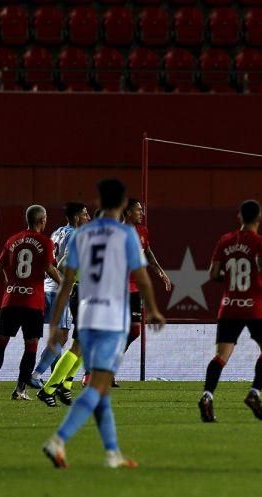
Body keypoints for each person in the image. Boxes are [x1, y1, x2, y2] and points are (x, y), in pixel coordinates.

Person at [42, 179, 165, 469]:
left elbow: (68, 280)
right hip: (112, 316)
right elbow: (142, 276)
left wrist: (53, 327)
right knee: (97, 386)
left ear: (98, 201)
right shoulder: (126, 234)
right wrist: (154, 310)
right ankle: (58, 440)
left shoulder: (82, 235)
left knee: (101, 387)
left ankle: (112, 453)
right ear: (123, 204)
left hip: (86, 313)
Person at [198, 200, 262, 423]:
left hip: (229, 305)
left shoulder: (225, 241)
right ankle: (254, 393)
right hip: (255, 305)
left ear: (239, 217)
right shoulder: (261, 242)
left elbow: (212, 274)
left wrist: (229, 280)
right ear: (259, 218)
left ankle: (207, 396)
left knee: (221, 355)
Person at [0, 205, 62, 401]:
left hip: (11, 300)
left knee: (1, 341)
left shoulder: (12, 240)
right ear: (42, 220)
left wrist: (10, 285)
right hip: (33, 302)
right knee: (31, 345)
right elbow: (49, 268)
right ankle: (20, 389)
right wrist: (65, 285)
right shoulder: (46, 242)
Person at [31, 202, 91, 408]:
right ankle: (45, 381)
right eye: (85, 214)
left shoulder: (57, 232)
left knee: (81, 340)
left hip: (51, 287)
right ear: (77, 217)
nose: (88, 218)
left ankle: (62, 384)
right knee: (70, 339)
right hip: (65, 290)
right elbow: (63, 262)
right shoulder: (77, 236)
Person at [115, 198, 171, 387]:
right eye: (138, 210)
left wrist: (161, 273)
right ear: (128, 212)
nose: (142, 213)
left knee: (135, 330)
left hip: (135, 287)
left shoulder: (142, 231)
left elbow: (148, 253)